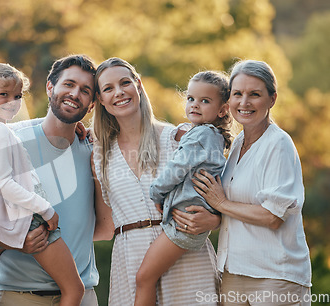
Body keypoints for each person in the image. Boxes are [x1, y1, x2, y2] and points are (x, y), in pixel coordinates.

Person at [92, 57, 222, 305]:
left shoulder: (180, 138)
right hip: (129, 259)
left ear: (138, 85)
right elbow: (103, 224)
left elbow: (220, 193)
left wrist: (215, 219)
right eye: (108, 88)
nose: (119, 92)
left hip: (185, 256)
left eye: (125, 83)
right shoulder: (99, 154)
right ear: (100, 99)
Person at [0, 54, 114, 306]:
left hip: (83, 296)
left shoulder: (94, 151)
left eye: (85, 90)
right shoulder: (11, 142)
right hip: (20, 296)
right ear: (50, 87)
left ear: (91, 104)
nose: (75, 93)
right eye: (68, 84)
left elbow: (103, 230)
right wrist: (17, 241)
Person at [0, 63, 84, 305]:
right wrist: (45, 209)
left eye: (17, 96)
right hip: (31, 220)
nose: (12, 102)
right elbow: (3, 184)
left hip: (3, 221)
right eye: (3, 95)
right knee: (74, 290)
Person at [193, 60, 312, 305]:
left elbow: (273, 217)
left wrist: (222, 204)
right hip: (233, 272)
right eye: (238, 94)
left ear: (272, 99)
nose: (244, 102)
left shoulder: (278, 144)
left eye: (254, 94)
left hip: (275, 276)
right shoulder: (236, 144)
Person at [134, 71, 233, 305]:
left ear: (222, 110)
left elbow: (177, 169)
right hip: (188, 222)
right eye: (191, 99)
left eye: (205, 101)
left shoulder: (201, 135)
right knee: (149, 279)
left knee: (144, 278)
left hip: (185, 223)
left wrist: (156, 193)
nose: (195, 105)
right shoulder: (209, 135)